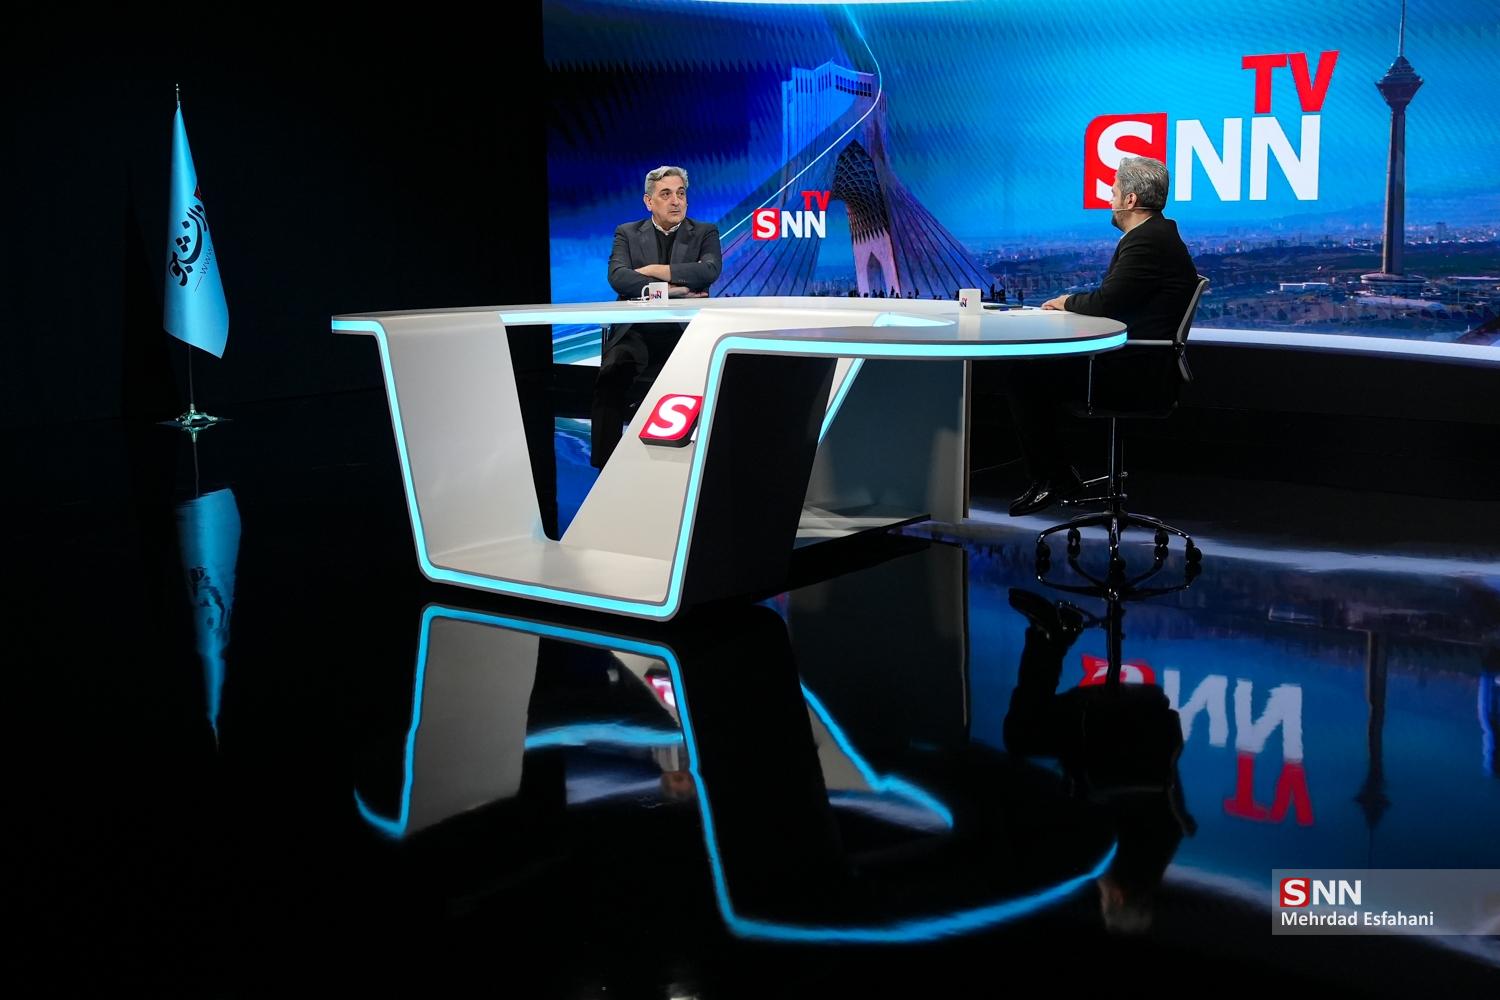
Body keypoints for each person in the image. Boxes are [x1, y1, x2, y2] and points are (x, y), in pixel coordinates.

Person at [1004, 156, 1198, 516]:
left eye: (1113, 192)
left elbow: (1108, 302)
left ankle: (1054, 479)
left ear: (1130, 200)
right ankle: (1058, 477)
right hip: (1141, 364)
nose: (1110, 199)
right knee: (1032, 372)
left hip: (1135, 372)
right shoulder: (1157, 235)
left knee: (1023, 376)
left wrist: (1065, 302)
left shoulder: (1147, 241)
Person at [591, 165, 722, 468]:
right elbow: (618, 277)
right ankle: (605, 464)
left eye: (681, 193)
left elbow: (709, 271)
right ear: (649, 201)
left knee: (715, 379)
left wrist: (653, 271)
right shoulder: (627, 233)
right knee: (610, 375)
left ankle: (699, 467)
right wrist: (670, 290)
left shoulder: (705, 232)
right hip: (636, 332)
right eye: (666, 194)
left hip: (686, 334)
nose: (676, 201)